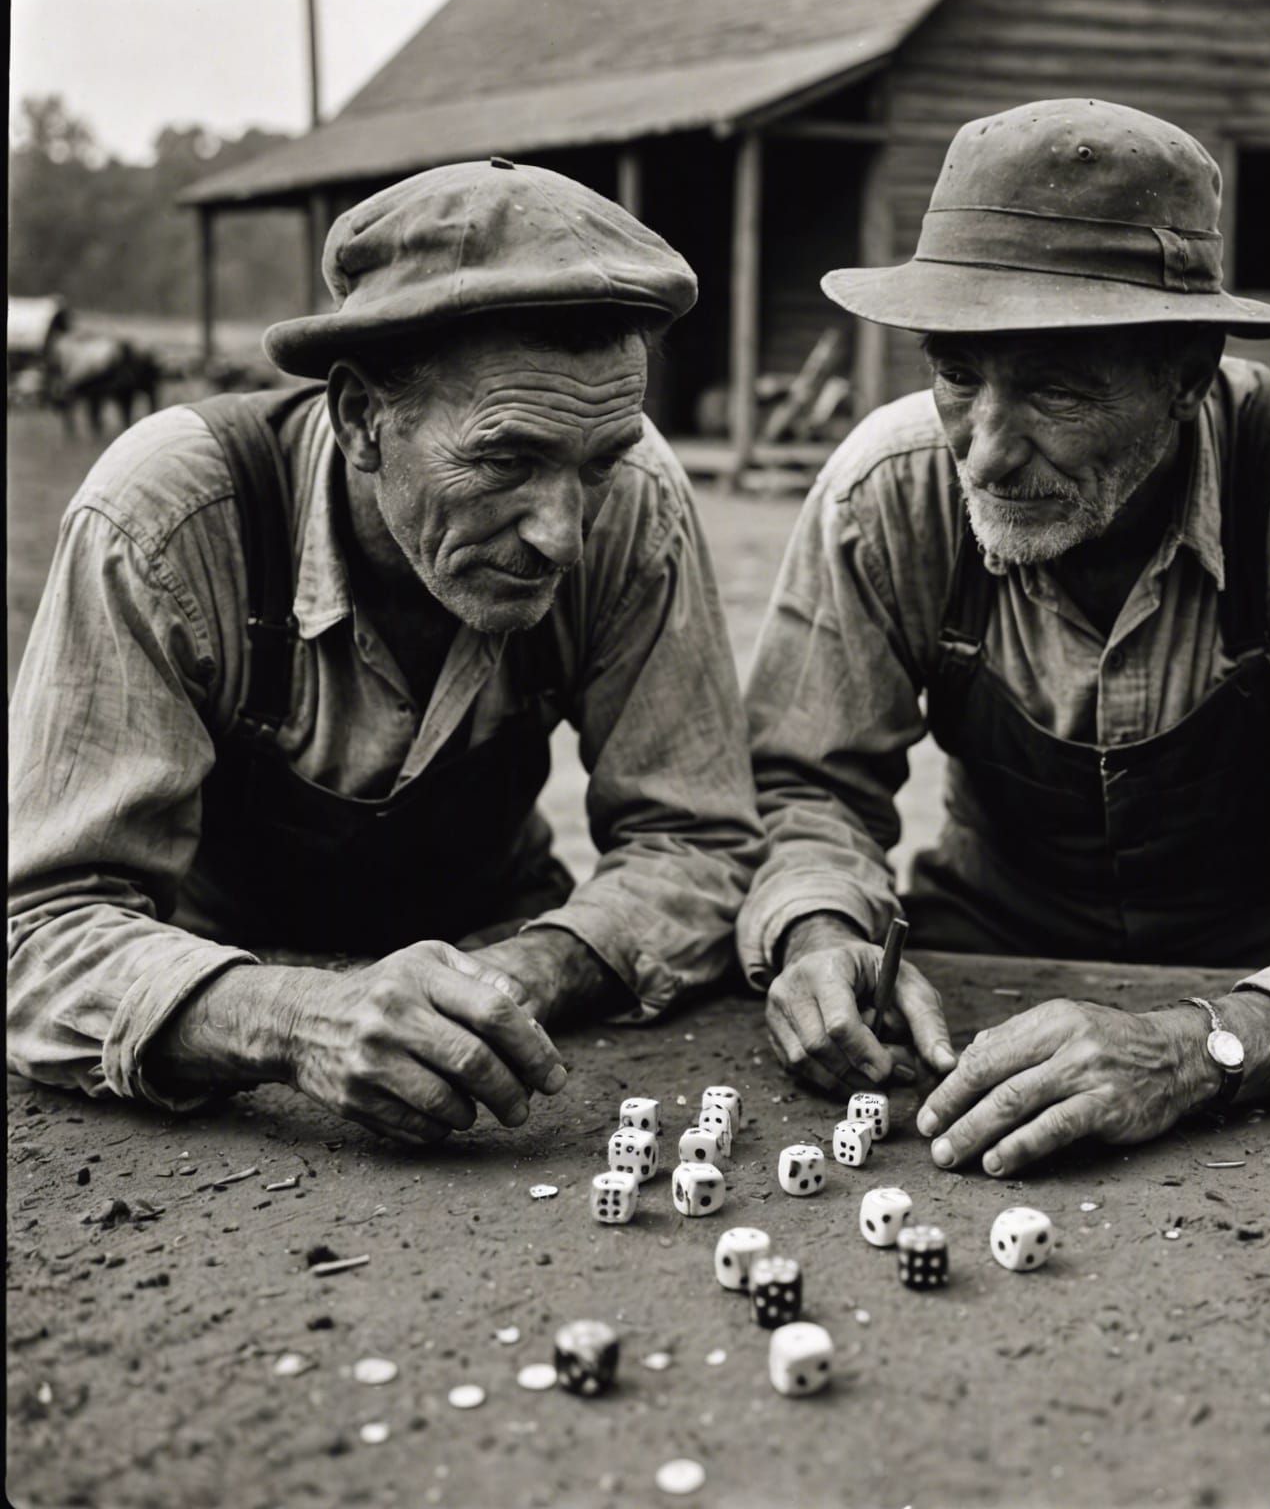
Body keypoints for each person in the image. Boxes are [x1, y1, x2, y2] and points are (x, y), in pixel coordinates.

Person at [738, 99, 1270, 1177]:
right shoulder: (886, 488)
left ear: (1188, 374)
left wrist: (1205, 1046)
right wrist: (819, 926)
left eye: (1056, 389)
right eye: (958, 373)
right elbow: (804, 784)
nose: (984, 452)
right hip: (988, 960)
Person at [9, 160, 763, 1145]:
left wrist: (518, 976)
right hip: (221, 1046)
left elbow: (699, 843)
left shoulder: (636, 502)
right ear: (363, 417)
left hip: (499, 987)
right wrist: (290, 1018)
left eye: (598, 464)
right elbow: (42, 932)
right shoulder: (166, 518)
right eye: (506, 459)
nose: (564, 536)